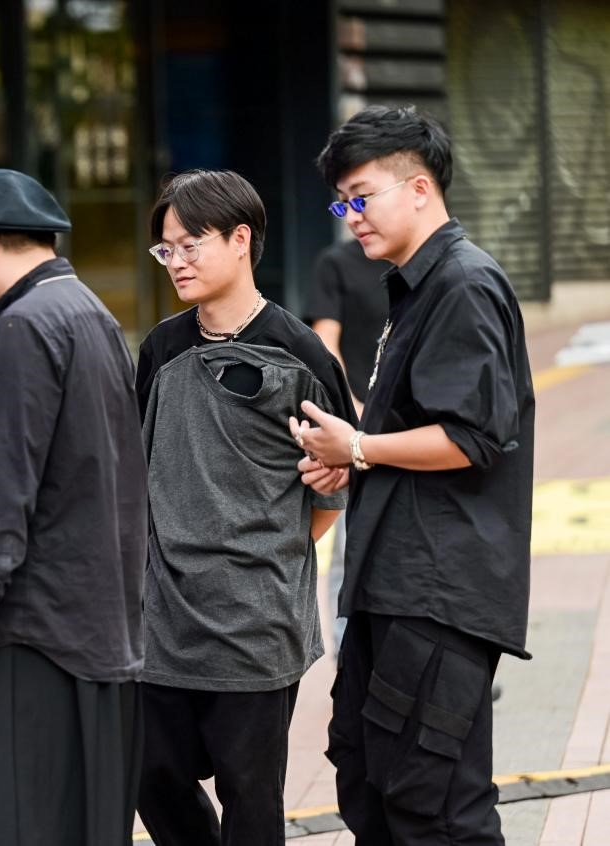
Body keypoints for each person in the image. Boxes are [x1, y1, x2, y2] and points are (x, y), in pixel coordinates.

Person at [296, 104, 534, 845]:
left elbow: (472, 435)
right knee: (370, 782)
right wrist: (352, 459)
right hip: (395, 581)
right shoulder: (414, 285)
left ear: (421, 188)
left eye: (361, 196)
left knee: (434, 808)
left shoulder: (462, 283)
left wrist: (360, 448)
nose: (351, 217)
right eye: (342, 203)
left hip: (437, 591)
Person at [135, 169, 355, 846]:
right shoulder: (159, 349)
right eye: (166, 249)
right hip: (161, 620)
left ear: (239, 239)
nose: (176, 261)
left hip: (255, 624)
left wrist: (268, 556)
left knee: (249, 797)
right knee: (150, 775)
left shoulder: (300, 353)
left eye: (190, 244)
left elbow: (331, 490)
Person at [0, 168, 147, 846]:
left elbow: (1, 488)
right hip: (100, 628)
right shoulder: (91, 312)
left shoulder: (23, 328)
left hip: (33, 634)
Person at [306, 237, 390, 656]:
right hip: (356, 429)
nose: (356, 214)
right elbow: (325, 340)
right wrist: (353, 412)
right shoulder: (336, 263)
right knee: (350, 547)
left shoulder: (422, 268)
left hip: (409, 433)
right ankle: (348, 656)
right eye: (349, 205)